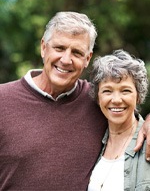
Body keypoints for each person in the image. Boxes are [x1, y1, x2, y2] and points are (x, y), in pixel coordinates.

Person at [0, 12, 149, 190]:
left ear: (87, 59)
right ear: (43, 47)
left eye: (77, 52)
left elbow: (128, 115)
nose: (66, 60)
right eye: (59, 48)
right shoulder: (3, 100)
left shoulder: (97, 99)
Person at [88, 49, 150, 191]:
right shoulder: (92, 143)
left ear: (138, 96)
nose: (116, 100)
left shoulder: (148, 144)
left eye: (125, 91)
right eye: (107, 91)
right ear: (98, 98)